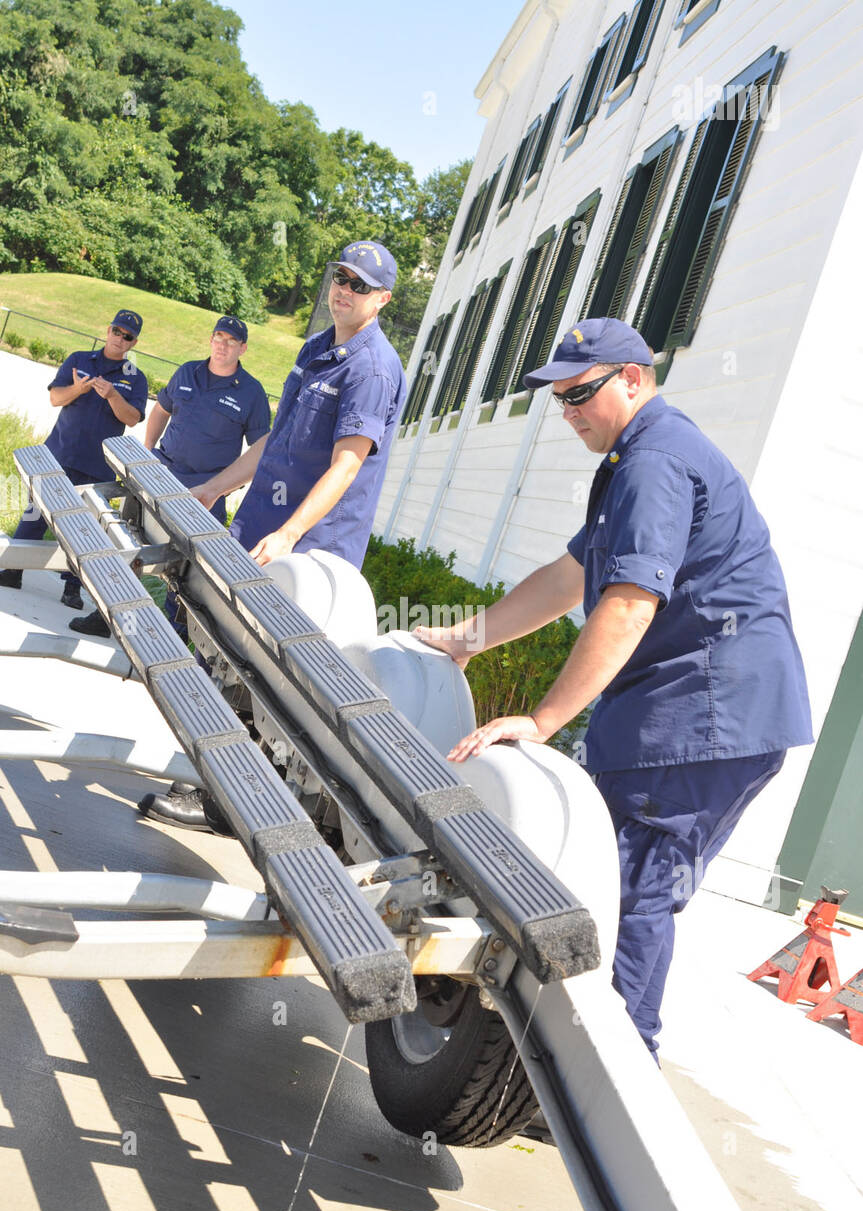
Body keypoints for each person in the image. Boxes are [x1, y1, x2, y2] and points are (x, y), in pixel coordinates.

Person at [414, 317, 812, 1059]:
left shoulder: (653, 462)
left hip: (702, 716)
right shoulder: (636, 454)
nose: (568, 412)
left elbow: (628, 603)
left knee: (630, 893)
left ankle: (622, 1066)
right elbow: (571, 578)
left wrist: (542, 719)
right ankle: (594, 1056)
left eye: (581, 393)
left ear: (633, 377)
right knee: (619, 887)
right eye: (558, 398)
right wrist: (468, 638)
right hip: (694, 715)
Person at [139, 241, 406, 831]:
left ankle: (224, 803)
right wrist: (213, 488)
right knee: (222, 655)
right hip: (259, 528)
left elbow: (347, 464)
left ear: (382, 299)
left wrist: (289, 534)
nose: (344, 290)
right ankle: (210, 787)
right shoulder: (317, 349)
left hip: (309, 551)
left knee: (261, 677)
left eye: (359, 285)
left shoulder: (372, 367)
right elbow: (273, 443)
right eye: (340, 277)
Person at [69, 314, 271, 637]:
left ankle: (172, 637)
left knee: (188, 572)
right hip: (161, 476)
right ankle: (105, 616)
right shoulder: (187, 371)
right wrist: (148, 451)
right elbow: (161, 409)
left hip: (205, 493)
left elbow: (261, 447)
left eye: (231, 341)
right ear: (211, 340)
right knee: (127, 544)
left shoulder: (252, 393)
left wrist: (226, 485)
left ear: (242, 349)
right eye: (218, 337)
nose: (222, 345)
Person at [0, 310, 148, 608]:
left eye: (127, 336)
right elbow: (55, 398)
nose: (120, 339)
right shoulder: (79, 359)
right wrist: (79, 388)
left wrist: (113, 397)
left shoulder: (135, 378)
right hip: (60, 453)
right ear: (108, 331)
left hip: (99, 466)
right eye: (117, 331)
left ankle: (73, 589)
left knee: (86, 530)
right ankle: (12, 569)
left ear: (133, 343)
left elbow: (132, 419)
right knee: (35, 514)